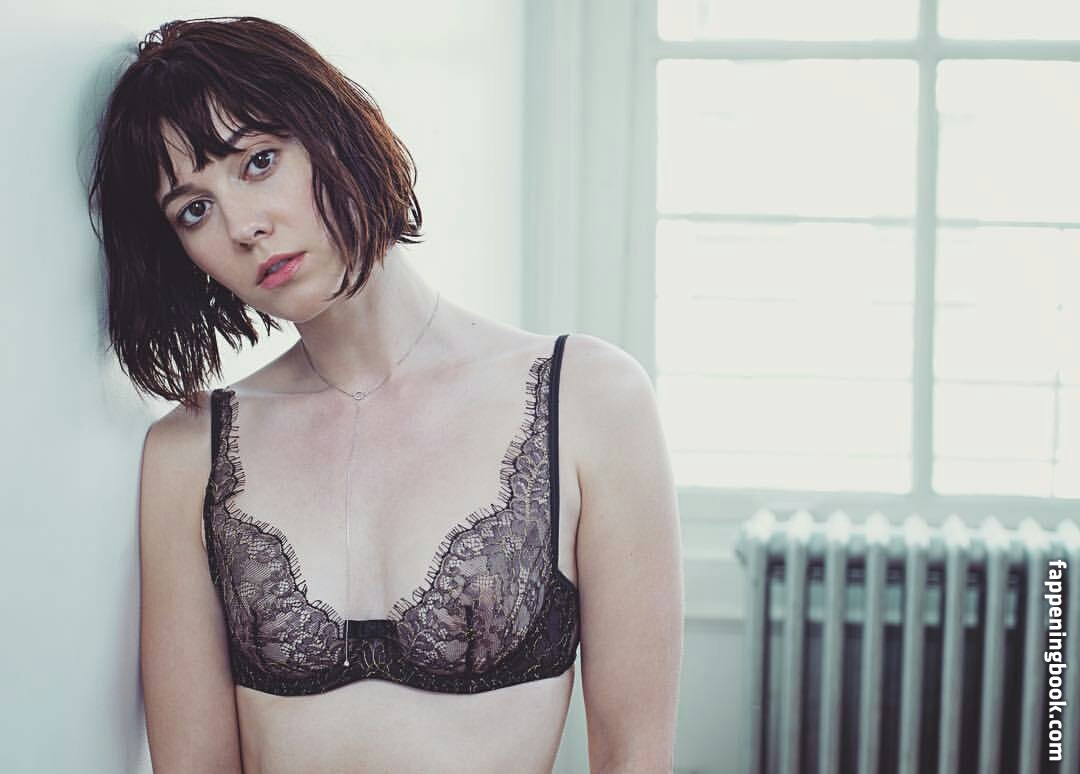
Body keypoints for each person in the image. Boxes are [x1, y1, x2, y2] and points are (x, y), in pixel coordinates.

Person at [88, 16, 683, 774]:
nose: (243, 227)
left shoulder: (591, 400)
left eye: (259, 161)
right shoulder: (186, 452)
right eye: (194, 210)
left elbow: (633, 756)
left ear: (334, 132)